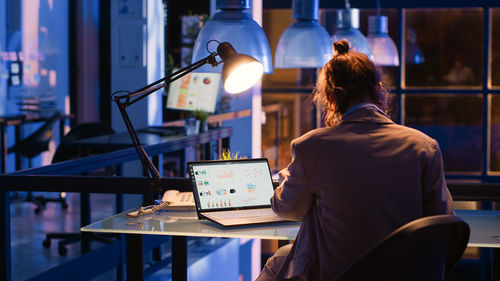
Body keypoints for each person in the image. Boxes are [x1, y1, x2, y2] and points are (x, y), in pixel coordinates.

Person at [256, 39, 454, 281]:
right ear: (379, 89)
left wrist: (287, 176)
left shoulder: (312, 147)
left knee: (279, 261)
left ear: (329, 96)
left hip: (337, 274)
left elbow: (287, 208)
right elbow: (443, 221)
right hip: (403, 273)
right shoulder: (424, 146)